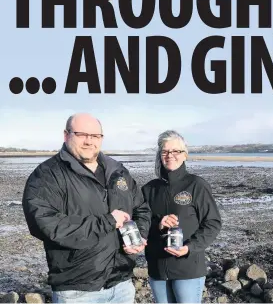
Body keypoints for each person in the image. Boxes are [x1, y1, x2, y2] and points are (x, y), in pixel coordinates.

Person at [22, 113, 151, 303]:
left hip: (122, 284)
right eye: (82, 134)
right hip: (77, 290)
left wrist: (139, 235)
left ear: (101, 139)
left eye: (95, 136)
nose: (89, 141)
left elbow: (141, 208)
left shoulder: (118, 172)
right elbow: (45, 225)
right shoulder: (47, 175)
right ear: (66, 135)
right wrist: (107, 222)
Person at [142, 130, 222, 303]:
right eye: (165, 151)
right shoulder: (149, 189)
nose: (170, 155)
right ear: (160, 155)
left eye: (176, 151)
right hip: (157, 268)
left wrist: (189, 248)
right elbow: (140, 223)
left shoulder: (196, 185)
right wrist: (159, 224)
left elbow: (212, 223)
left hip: (188, 268)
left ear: (185, 155)